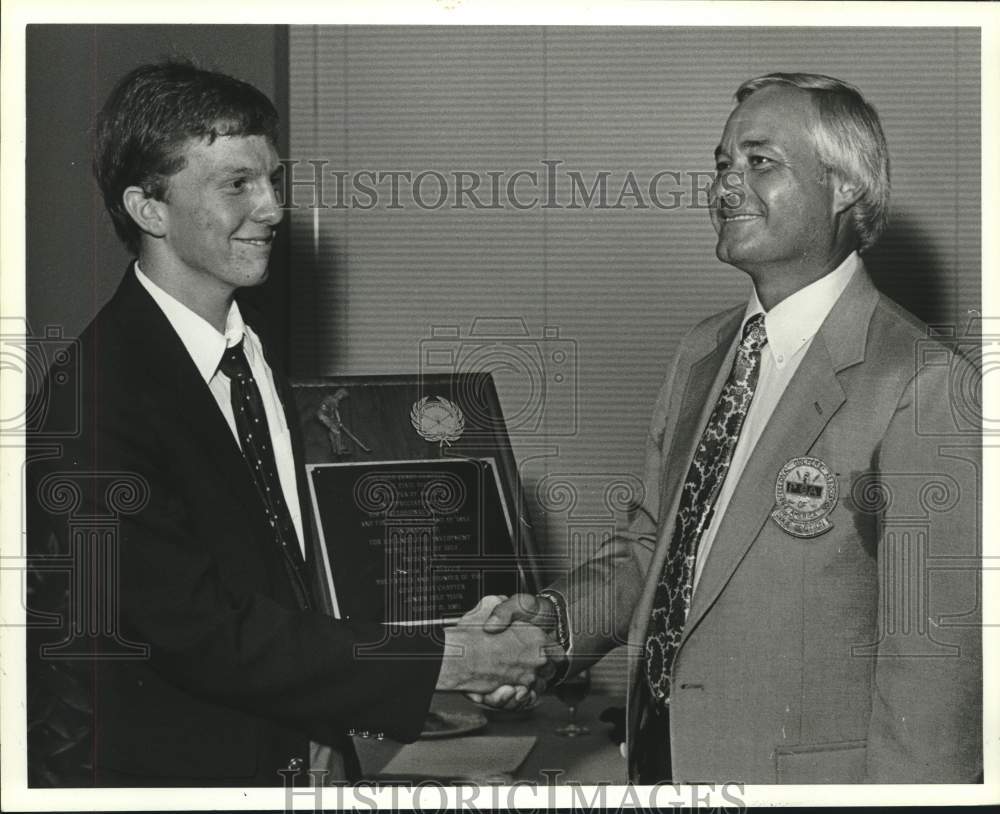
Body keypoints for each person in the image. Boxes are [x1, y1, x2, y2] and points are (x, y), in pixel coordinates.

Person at [25, 61, 552, 788]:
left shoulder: (253, 361)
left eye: (273, 179)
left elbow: (296, 584)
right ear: (149, 208)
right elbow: (203, 634)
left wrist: (458, 657)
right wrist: (450, 660)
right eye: (237, 184)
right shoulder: (94, 395)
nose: (273, 207)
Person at [481, 73, 982, 783]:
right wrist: (552, 627)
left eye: (760, 161)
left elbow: (934, 691)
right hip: (659, 766)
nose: (725, 186)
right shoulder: (702, 352)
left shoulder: (923, 384)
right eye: (722, 163)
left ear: (845, 187)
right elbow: (653, 548)